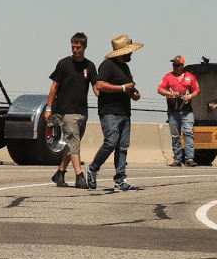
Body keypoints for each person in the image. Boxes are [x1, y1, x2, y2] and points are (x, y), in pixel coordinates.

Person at [85, 34, 143, 191]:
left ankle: (121, 178)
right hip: (110, 111)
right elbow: (99, 85)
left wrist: (133, 93)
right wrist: (123, 88)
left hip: (125, 112)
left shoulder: (125, 67)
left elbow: (128, 88)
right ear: (123, 51)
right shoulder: (107, 65)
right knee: (111, 142)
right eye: (129, 51)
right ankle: (93, 168)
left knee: (122, 147)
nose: (131, 53)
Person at [44, 32, 98, 188]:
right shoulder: (63, 64)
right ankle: (79, 176)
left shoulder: (90, 66)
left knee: (71, 145)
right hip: (67, 111)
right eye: (73, 47)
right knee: (74, 143)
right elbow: (54, 87)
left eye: (78, 47)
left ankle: (59, 173)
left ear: (84, 47)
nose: (75, 50)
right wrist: (48, 108)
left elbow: (96, 87)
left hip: (82, 112)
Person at [158, 55, 200, 167]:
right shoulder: (168, 77)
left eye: (177, 65)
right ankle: (177, 159)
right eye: (173, 65)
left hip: (186, 111)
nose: (174, 67)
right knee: (175, 135)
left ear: (182, 66)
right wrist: (170, 94)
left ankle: (189, 159)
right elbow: (160, 89)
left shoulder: (190, 77)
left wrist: (190, 96)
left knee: (188, 133)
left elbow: (197, 90)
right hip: (173, 111)